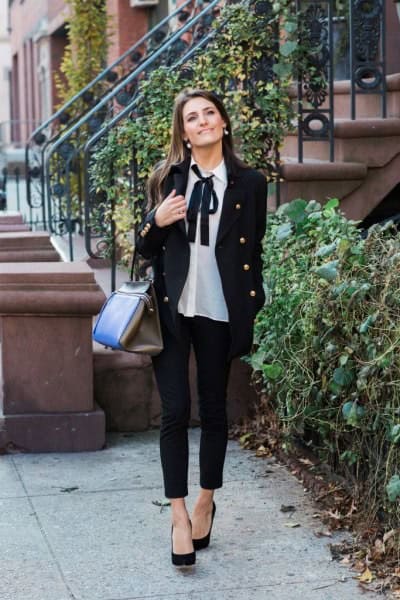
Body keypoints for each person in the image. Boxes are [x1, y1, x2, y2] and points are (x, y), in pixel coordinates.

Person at [136, 88, 267, 567]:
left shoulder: (249, 183)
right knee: (175, 411)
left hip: (220, 308)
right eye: (192, 117)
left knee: (213, 410)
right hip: (173, 310)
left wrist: (251, 306)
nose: (203, 121)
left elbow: (253, 252)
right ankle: (177, 516)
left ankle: (206, 502)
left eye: (210, 113)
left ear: (224, 123)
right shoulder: (166, 179)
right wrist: (156, 221)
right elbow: (143, 250)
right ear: (184, 132)